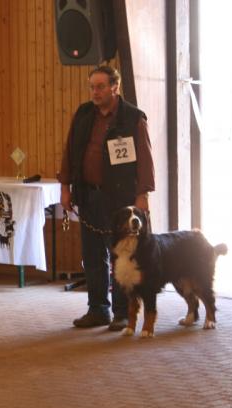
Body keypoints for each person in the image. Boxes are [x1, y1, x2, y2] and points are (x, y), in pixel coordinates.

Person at [58, 65, 155, 331]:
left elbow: (145, 160)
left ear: (115, 86)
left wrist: (142, 194)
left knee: (120, 257)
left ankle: (123, 312)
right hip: (88, 195)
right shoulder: (83, 114)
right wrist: (65, 188)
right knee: (92, 256)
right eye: (92, 86)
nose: (95, 92)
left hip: (120, 200)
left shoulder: (133, 118)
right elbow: (69, 153)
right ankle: (98, 309)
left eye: (100, 86)